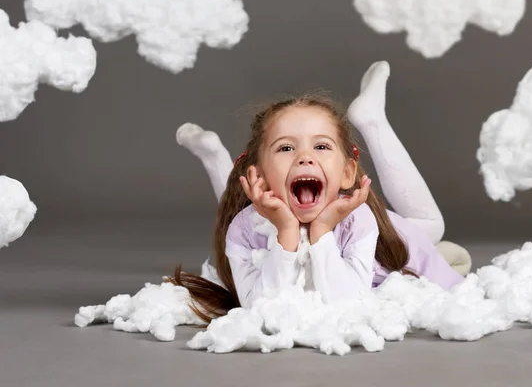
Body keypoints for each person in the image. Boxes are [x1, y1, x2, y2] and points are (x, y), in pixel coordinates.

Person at [168, 61, 471, 323]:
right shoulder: (245, 226)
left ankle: (214, 156)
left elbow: (340, 303)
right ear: (257, 173)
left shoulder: (359, 221)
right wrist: (287, 229)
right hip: (381, 235)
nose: (304, 157)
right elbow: (264, 306)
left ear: (347, 173)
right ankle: (372, 120)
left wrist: (323, 228)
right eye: (286, 147)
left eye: (321, 146)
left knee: (253, 210)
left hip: (365, 233)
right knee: (431, 226)